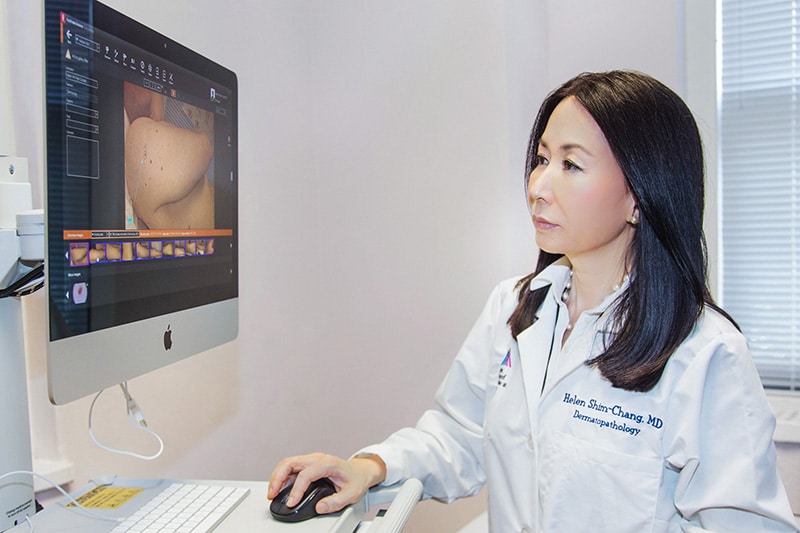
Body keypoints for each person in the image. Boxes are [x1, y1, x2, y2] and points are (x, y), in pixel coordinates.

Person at [268, 70, 799, 532]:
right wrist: (369, 466)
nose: (539, 186)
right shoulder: (515, 307)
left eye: (571, 165)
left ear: (639, 195)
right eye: (542, 159)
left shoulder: (705, 353)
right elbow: (460, 434)